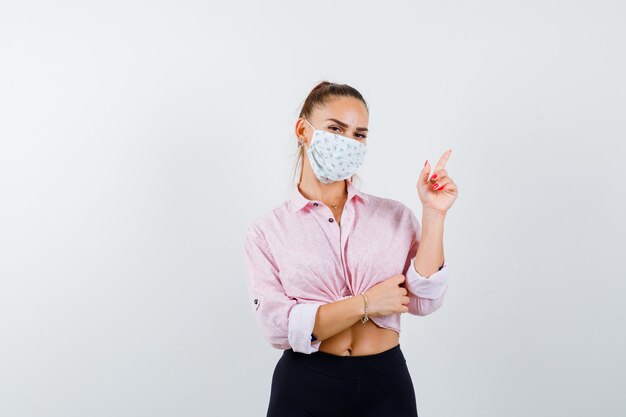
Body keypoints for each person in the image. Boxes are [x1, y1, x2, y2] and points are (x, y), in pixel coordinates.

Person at [243, 81, 458, 417]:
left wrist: (433, 212)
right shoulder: (268, 231)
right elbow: (277, 328)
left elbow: (424, 299)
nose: (347, 142)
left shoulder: (394, 216)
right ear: (303, 130)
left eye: (359, 134)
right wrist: (367, 303)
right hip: (304, 386)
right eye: (335, 129)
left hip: (386, 385)